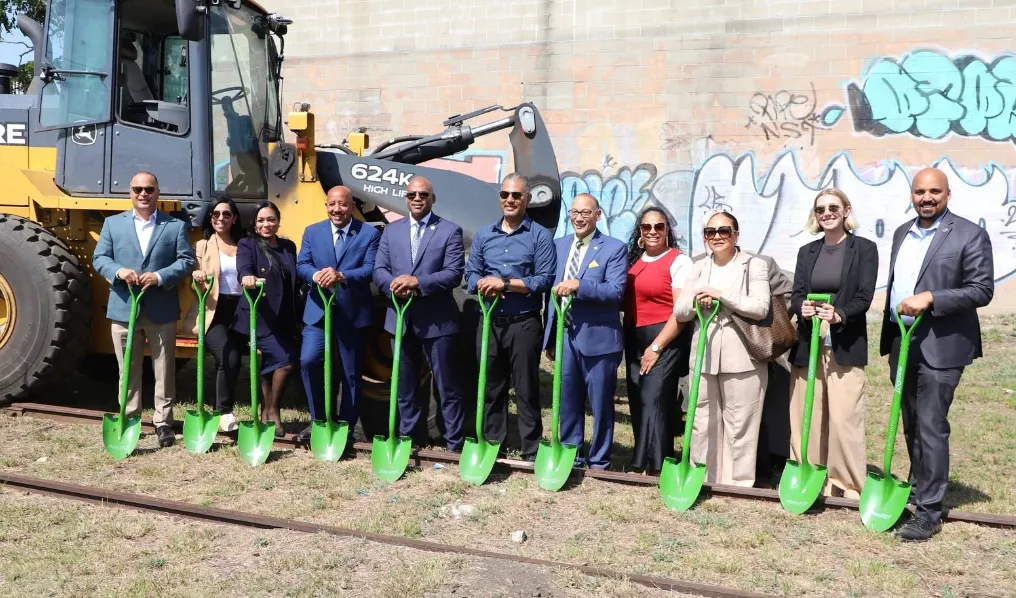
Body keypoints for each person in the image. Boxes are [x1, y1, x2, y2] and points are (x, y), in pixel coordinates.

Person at [880, 167, 994, 541]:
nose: (926, 198)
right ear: (911, 195)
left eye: (934, 191)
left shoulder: (969, 234)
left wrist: (931, 298)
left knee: (930, 423)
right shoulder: (902, 233)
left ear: (948, 194)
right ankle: (918, 487)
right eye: (919, 192)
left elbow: (981, 290)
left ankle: (929, 512)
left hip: (943, 346)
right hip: (903, 341)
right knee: (911, 421)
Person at [91, 171, 196, 448]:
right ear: (130, 192)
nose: (143, 194)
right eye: (137, 188)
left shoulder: (174, 226)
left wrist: (159, 276)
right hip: (124, 308)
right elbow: (99, 258)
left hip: (160, 307)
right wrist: (119, 271)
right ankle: (130, 418)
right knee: (128, 369)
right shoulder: (113, 224)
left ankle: (164, 422)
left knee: (164, 368)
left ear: (157, 192)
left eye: (148, 188)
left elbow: (187, 261)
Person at [788, 188, 878, 499]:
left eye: (833, 207)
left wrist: (839, 315)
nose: (826, 213)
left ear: (846, 210)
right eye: (821, 209)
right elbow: (798, 292)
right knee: (807, 414)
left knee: (844, 417)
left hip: (845, 344)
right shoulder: (807, 252)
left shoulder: (864, 249)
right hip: (808, 343)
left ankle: (848, 483)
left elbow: (864, 297)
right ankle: (809, 473)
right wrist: (803, 307)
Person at [673, 210, 771, 487]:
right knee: (701, 421)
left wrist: (721, 296)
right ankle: (702, 478)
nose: (717, 237)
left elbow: (760, 307)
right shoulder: (698, 266)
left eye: (724, 231)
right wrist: (697, 301)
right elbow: (680, 311)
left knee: (741, 425)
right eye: (710, 232)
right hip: (703, 357)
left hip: (743, 358)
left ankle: (738, 484)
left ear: (736, 235)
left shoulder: (754, 265)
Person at [465, 173, 556, 461]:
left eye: (516, 195)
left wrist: (503, 283)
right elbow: (470, 275)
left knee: (527, 387)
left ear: (527, 199)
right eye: (505, 195)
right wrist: (481, 283)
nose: (510, 200)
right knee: (491, 387)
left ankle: (531, 451)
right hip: (489, 322)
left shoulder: (540, 236)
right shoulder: (484, 234)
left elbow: (544, 280)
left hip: (523, 323)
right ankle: (494, 446)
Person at [372, 175, 467, 451]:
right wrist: (393, 288)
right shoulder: (391, 231)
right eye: (412, 194)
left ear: (432, 199)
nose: (417, 198)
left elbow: (452, 274)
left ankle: (454, 444)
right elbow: (379, 270)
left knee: (446, 386)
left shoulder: (449, 231)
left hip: (437, 322)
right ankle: (408, 440)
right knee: (405, 385)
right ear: (405, 198)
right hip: (400, 320)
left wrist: (418, 284)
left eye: (423, 194)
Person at [542, 193, 627, 470]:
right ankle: (571, 454)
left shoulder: (613, 248)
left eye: (586, 213)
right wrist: (550, 336)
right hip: (565, 335)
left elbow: (615, 292)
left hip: (599, 338)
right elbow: (549, 293)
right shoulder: (558, 246)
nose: (579, 217)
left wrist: (579, 285)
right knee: (567, 399)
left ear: (598, 215)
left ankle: (600, 459)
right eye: (575, 212)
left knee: (601, 403)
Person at [296, 186, 381, 446]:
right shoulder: (313, 231)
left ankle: (346, 425)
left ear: (352, 205)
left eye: (342, 205)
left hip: (351, 313)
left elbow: (370, 269)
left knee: (350, 373)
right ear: (326, 205)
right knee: (309, 360)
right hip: (318, 310)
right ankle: (319, 420)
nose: (337, 210)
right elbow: (302, 265)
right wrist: (315, 275)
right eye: (332, 204)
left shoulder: (368, 233)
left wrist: (342, 276)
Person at [622, 206, 693, 475]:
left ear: (667, 231)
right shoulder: (636, 260)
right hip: (634, 336)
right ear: (639, 231)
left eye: (659, 227)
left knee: (655, 398)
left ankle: (656, 464)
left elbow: (681, 312)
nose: (652, 232)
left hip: (664, 338)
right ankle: (641, 459)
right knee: (639, 397)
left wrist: (656, 347)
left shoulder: (678, 261)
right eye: (646, 227)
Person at [234, 201, 301, 438]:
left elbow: (296, 276)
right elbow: (243, 267)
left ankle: (266, 411)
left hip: (284, 316)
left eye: (271, 219)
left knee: (272, 364)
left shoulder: (288, 246)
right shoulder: (248, 244)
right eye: (261, 220)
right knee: (286, 361)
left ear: (278, 221)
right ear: (254, 223)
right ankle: (272, 409)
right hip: (259, 315)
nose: (266, 224)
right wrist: (247, 277)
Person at [183, 198, 247, 432]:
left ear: (234, 218)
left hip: (242, 308)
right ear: (210, 218)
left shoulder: (245, 245)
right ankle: (224, 411)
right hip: (214, 311)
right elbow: (193, 284)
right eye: (216, 214)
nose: (221, 218)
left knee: (235, 360)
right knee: (228, 356)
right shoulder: (201, 246)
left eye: (226, 214)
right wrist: (197, 278)